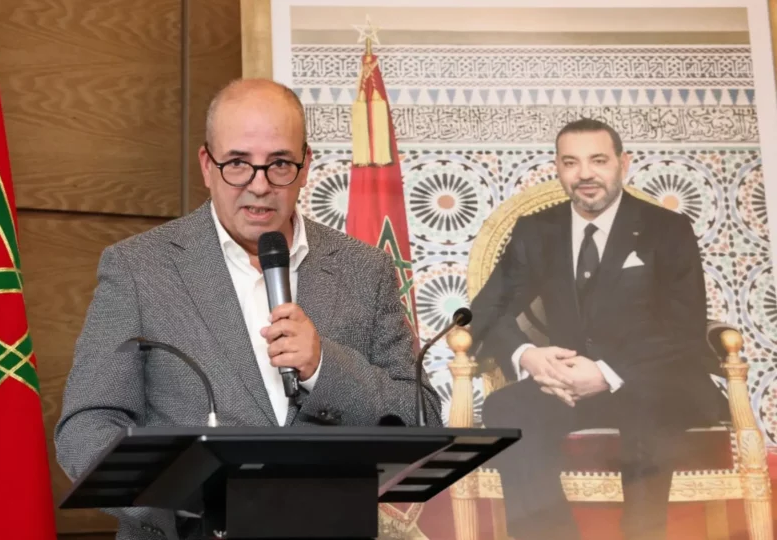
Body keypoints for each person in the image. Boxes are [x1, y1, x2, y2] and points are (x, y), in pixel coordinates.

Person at [54, 78, 442, 540]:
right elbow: (86, 427)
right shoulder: (139, 268)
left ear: (305, 167)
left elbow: (422, 417)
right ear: (207, 165)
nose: (259, 186)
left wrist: (325, 366)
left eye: (279, 164)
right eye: (238, 163)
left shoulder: (365, 269)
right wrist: (185, 507)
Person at [470, 118, 726, 540]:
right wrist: (527, 356)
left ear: (623, 163)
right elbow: (486, 310)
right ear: (557, 167)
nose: (585, 174)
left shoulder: (667, 229)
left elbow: (683, 326)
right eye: (571, 162)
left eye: (598, 160)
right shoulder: (538, 230)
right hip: (569, 385)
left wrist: (607, 372)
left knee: (649, 411)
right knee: (506, 409)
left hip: (652, 379)